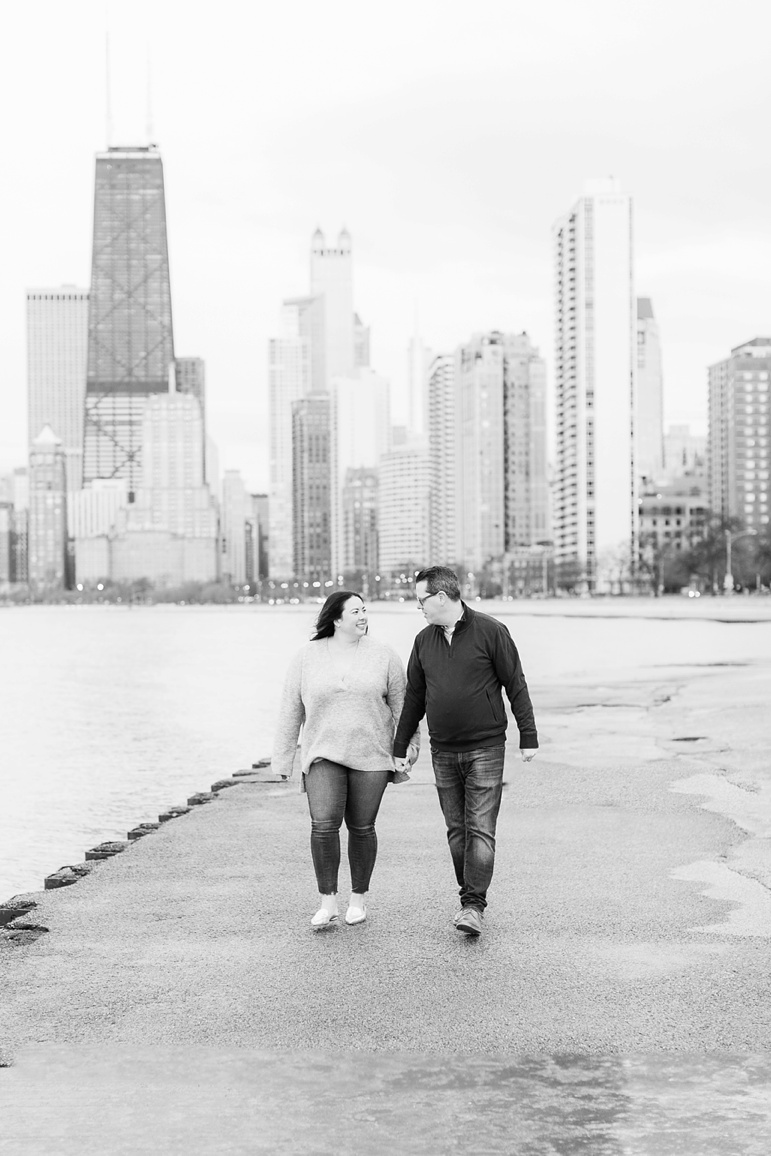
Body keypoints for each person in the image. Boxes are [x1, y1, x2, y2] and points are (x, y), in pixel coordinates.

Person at [393, 566, 538, 938]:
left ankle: (473, 905)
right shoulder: (423, 641)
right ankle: (469, 898)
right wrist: (399, 746)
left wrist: (528, 736)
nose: (419, 607)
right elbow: (414, 697)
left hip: (486, 747)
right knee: (457, 831)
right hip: (443, 750)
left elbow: (515, 683)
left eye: (421, 599)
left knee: (481, 829)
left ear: (441, 597)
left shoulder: (491, 631)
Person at [272, 590, 418, 930]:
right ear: (336, 618)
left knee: (362, 828)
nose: (363, 616)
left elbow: (404, 706)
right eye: (355, 611)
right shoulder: (306, 656)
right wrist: (282, 760)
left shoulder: (383, 655)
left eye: (365, 610)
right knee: (323, 825)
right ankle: (327, 903)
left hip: (372, 753)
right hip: (323, 753)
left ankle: (358, 900)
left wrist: (409, 748)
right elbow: (290, 708)